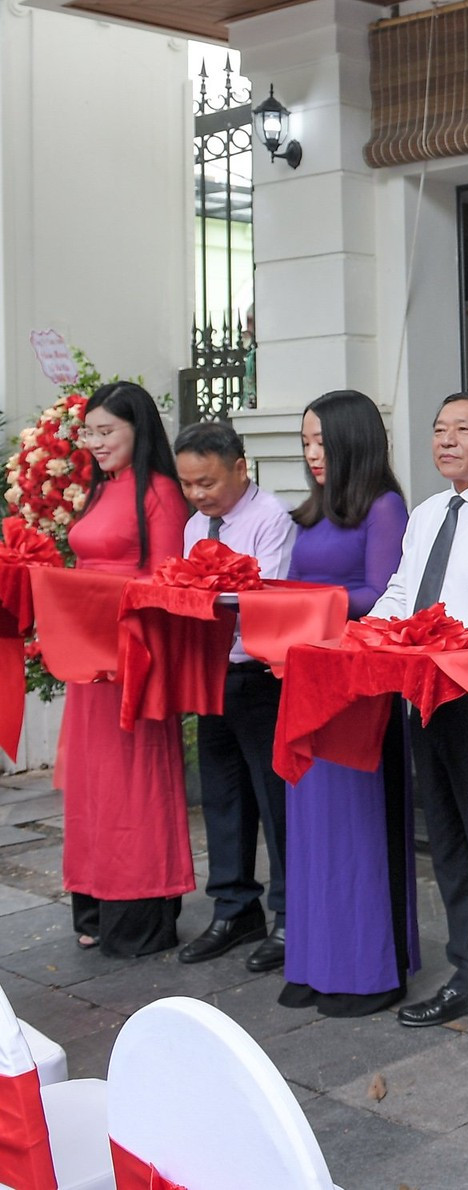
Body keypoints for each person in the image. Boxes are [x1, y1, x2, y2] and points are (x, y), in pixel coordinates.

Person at [373, 391, 468, 1029]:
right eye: (438, 429)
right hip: (421, 687)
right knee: (448, 838)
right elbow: (403, 590)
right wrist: (365, 638)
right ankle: (467, 968)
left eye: (462, 429)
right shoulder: (427, 512)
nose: (446, 440)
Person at [279, 390, 413, 1016]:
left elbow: (385, 594)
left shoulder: (384, 506)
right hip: (306, 676)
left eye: (321, 442)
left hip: (357, 683)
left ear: (353, 441)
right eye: (305, 442)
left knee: (355, 829)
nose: (311, 454)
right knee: (307, 828)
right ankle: (313, 960)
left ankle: (366, 970)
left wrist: (302, 601)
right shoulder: (314, 510)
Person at [60, 381, 191, 957]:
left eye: (106, 431)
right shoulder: (103, 490)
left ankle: (138, 912)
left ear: (138, 430)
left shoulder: (160, 491)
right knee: (91, 784)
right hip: (86, 658)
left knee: (132, 784)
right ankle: (92, 900)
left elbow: (166, 582)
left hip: (132, 658)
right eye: (89, 432)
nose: (95, 442)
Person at [173, 420, 297, 971]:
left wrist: (206, 594)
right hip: (210, 669)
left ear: (240, 468)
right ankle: (232, 907)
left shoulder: (270, 518)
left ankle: (289, 916)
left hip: (259, 675)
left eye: (207, 481)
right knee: (222, 796)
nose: (198, 495)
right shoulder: (196, 524)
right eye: (188, 484)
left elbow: (265, 598)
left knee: (274, 802)